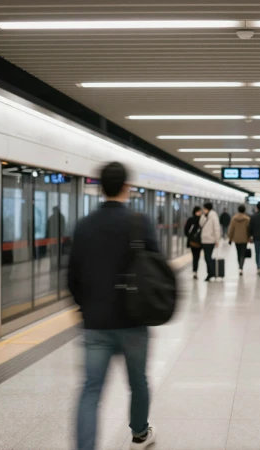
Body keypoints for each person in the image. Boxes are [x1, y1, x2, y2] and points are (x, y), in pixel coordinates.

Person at [68, 162, 158, 450]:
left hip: (96, 322)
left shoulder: (84, 225)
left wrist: (87, 306)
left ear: (99, 187)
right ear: (126, 188)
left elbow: (72, 278)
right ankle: (140, 434)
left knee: (90, 390)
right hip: (133, 320)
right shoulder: (139, 222)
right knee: (138, 382)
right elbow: (156, 268)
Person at [199, 202, 221, 282]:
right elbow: (201, 224)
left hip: (211, 240)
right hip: (204, 240)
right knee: (206, 257)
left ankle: (210, 273)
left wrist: (217, 240)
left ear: (207, 209)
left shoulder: (214, 217)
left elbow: (217, 229)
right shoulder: (203, 216)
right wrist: (203, 216)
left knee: (208, 257)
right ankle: (210, 272)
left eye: (204, 209)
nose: (203, 210)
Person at [227, 205, 251, 276]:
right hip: (244, 238)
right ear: (244, 210)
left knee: (238, 252)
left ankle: (239, 267)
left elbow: (231, 229)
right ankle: (241, 267)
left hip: (236, 238)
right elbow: (249, 229)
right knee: (243, 253)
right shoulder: (247, 219)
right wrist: (249, 237)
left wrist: (230, 238)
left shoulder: (234, 218)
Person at [184, 206, 203, 279]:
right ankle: (195, 271)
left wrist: (190, 237)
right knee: (195, 256)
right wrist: (190, 237)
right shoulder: (195, 220)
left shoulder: (201, 219)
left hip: (197, 241)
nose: (200, 212)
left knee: (196, 257)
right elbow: (186, 230)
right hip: (195, 242)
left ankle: (195, 270)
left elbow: (186, 230)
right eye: (198, 211)